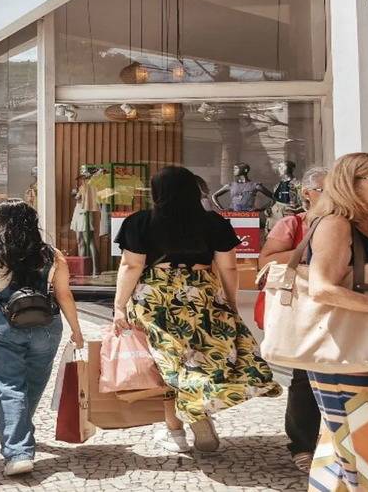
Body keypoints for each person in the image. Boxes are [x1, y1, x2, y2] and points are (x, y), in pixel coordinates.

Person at [113, 166, 281, 453]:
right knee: (204, 358)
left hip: (156, 296)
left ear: (157, 192)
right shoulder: (214, 222)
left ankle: (176, 431)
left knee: (168, 363)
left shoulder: (140, 221)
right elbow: (228, 266)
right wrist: (229, 301)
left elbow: (131, 266)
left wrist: (118, 306)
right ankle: (198, 409)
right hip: (201, 292)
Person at [0, 200, 84, 476]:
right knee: (34, 383)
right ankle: (21, 435)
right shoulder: (52, 255)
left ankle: (18, 452)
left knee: (9, 387)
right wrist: (76, 329)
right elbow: (64, 295)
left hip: (3, 326)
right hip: (46, 327)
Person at [302, 153, 368, 490]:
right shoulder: (336, 224)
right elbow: (322, 289)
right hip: (347, 354)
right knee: (365, 449)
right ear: (350, 185)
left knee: (348, 447)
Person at [259, 167, 328, 472]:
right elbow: (267, 260)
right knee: (304, 378)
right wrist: (310, 257)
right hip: (302, 308)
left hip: (336, 309)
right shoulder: (292, 224)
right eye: (325, 190)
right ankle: (302, 444)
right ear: (307, 194)